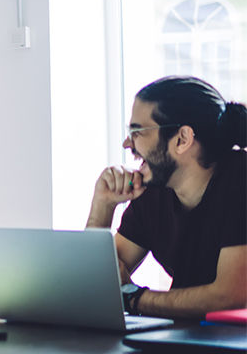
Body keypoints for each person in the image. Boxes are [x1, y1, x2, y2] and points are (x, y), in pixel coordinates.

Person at [87, 76, 246, 318]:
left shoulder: (240, 181)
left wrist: (135, 298)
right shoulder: (153, 190)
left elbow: (230, 296)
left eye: (138, 131)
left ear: (182, 139)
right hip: (188, 338)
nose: (127, 143)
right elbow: (98, 282)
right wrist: (103, 205)